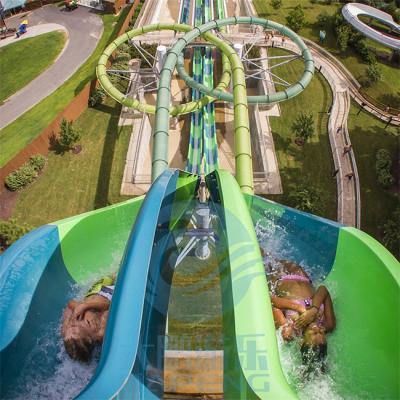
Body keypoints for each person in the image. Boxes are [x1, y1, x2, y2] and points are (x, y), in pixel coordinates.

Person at [261, 249, 336, 373]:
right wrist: (313, 310)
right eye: (322, 333)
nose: (319, 329)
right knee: (275, 255)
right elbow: (323, 290)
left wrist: (298, 309)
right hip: (301, 275)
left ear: (301, 342)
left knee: (265, 256)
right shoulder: (328, 324)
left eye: (314, 334)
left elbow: (270, 302)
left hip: (279, 277)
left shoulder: (291, 328)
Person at [61, 274, 116, 362]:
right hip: (109, 293)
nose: (71, 327)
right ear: (88, 339)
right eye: (75, 331)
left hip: (93, 292)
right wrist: (86, 307)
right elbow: (112, 306)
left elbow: (70, 304)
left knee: (108, 276)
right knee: (118, 275)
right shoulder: (99, 331)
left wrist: (82, 307)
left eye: (69, 330)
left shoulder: (66, 329)